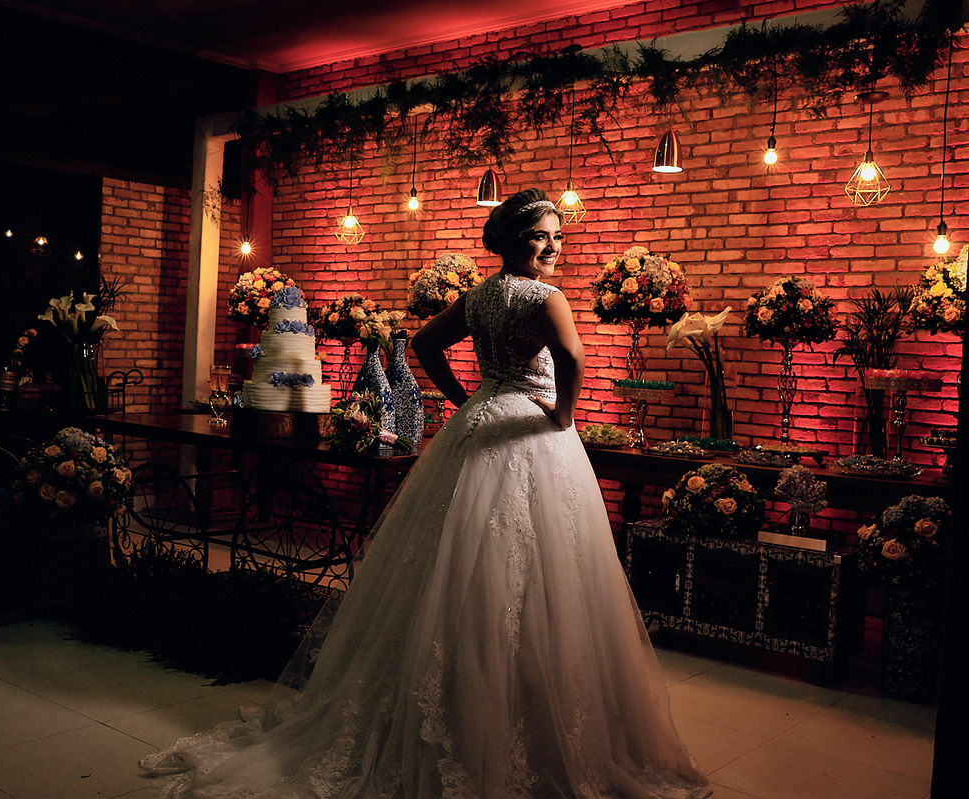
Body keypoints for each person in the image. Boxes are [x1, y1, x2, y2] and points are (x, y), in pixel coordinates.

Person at [139, 188, 711, 799]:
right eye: (540, 236)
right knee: (531, 570)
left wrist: (468, 397)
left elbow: (424, 347)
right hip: (530, 432)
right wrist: (565, 417)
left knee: (461, 563)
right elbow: (570, 358)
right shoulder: (547, 298)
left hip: (480, 423)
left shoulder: (480, 295)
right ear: (513, 239)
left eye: (558, 237)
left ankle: (457, 701)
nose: (552, 248)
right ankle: (509, 716)